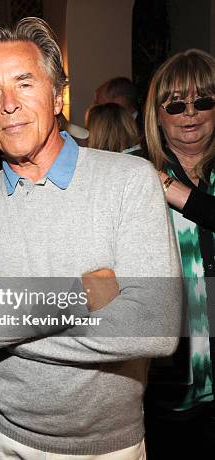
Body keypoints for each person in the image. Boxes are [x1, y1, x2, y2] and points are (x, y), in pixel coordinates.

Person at [0, 17, 182, 459]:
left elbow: (155, 327)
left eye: (24, 84)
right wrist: (87, 292)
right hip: (2, 439)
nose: (8, 104)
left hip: (109, 447)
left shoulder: (130, 181)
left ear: (58, 95)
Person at [141, 48, 215, 459]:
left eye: (203, 101)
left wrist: (171, 189)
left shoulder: (154, 179)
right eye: (175, 104)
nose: (190, 113)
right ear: (157, 113)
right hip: (161, 388)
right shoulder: (130, 174)